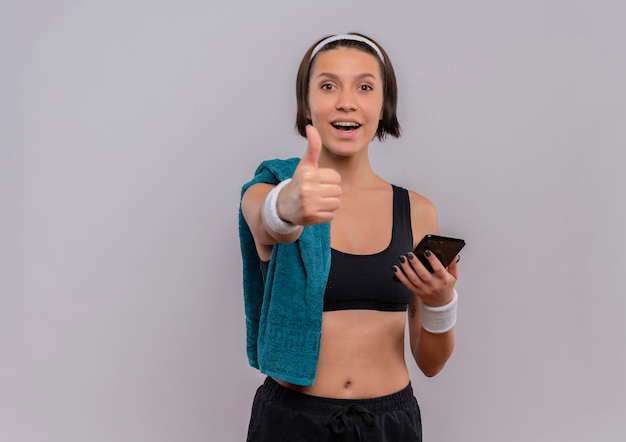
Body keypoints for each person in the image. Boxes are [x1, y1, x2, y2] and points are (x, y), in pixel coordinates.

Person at [239, 32, 461, 442]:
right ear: (306, 104)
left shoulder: (417, 211)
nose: (346, 101)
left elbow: (430, 364)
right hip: (290, 424)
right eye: (327, 86)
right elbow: (262, 219)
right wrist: (286, 208)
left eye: (364, 86)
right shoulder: (271, 186)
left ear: (383, 104)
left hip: (389, 424)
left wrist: (440, 303)